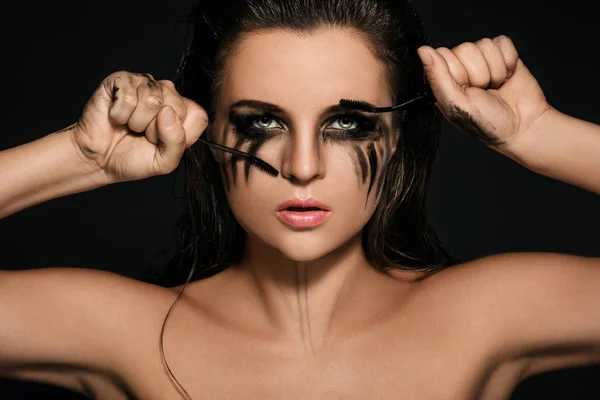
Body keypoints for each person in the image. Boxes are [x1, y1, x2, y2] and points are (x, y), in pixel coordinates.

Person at [1, 0, 599, 399]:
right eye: (262, 122)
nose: (302, 167)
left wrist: (538, 133)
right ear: (207, 139)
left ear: (394, 140)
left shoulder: (486, 315)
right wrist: (80, 157)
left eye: (346, 125)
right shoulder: (122, 329)